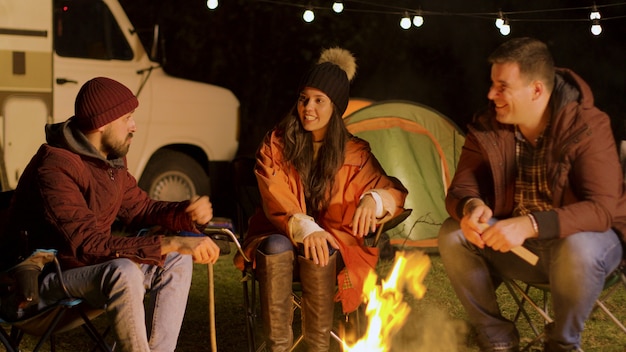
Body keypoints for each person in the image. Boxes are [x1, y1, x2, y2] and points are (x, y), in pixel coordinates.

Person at [0, 77, 221, 352]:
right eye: (127, 117)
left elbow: (141, 208)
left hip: (84, 272)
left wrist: (185, 212)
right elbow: (88, 244)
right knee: (124, 270)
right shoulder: (55, 167)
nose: (134, 126)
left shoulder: (108, 162)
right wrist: (171, 241)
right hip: (34, 284)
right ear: (101, 123)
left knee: (176, 259)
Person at [438, 37, 626, 352]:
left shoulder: (587, 126)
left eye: (502, 86)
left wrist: (530, 224)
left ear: (536, 89)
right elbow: (462, 188)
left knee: (578, 245)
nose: (490, 94)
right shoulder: (488, 127)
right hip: (520, 249)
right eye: (492, 84)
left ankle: (562, 344)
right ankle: (497, 339)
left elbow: (602, 210)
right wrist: (472, 207)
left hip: (586, 250)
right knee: (453, 234)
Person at [234, 47, 407, 351]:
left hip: (334, 252)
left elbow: (392, 191)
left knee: (322, 249)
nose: (308, 108)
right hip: (279, 239)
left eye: (319, 101)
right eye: (303, 99)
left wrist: (375, 199)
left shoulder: (355, 152)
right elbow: (275, 194)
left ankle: (317, 346)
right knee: (277, 244)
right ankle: (279, 347)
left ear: (336, 107)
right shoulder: (277, 143)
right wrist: (305, 227)